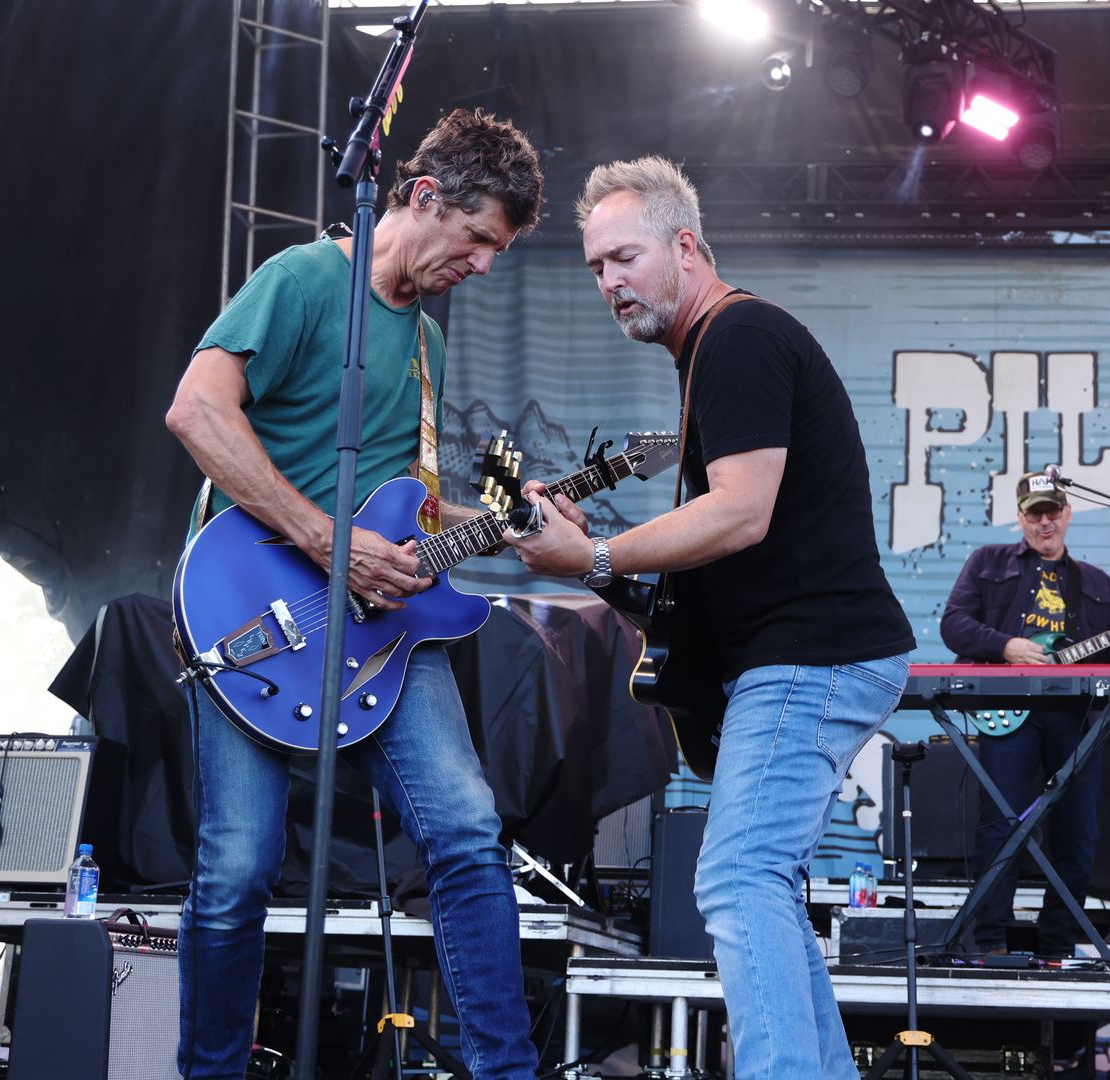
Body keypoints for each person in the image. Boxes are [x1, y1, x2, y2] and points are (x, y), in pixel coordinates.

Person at [506, 155, 915, 1079]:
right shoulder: (710, 357)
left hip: (814, 657)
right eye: (594, 268)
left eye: (623, 257)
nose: (609, 282)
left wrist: (598, 554)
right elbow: (706, 574)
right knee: (760, 880)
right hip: (801, 657)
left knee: (735, 877)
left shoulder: (738, 337)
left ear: (685, 247)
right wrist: (596, 557)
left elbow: (741, 511)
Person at [163, 108, 544, 1079]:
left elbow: (403, 516)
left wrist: (505, 513)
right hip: (258, 612)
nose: (486, 267)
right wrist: (322, 537)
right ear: (423, 197)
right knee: (236, 870)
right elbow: (198, 411)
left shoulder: (428, 346)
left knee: (464, 829)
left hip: (379, 632)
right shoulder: (300, 282)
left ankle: (506, 1071)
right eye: (479, 240)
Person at [939, 473, 1110, 958]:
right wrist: (1006, 645)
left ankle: (1058, 948)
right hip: (1010, 710)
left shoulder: (1093, 580)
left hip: (1073, 714)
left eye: (1053, 512)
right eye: (1034, 513)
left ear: (1067, 513)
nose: (1045, 522)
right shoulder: (987, 562)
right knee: (1001, 823)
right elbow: (954, 625)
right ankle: (990, 944)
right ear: (1020, 517)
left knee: (1079, 832)